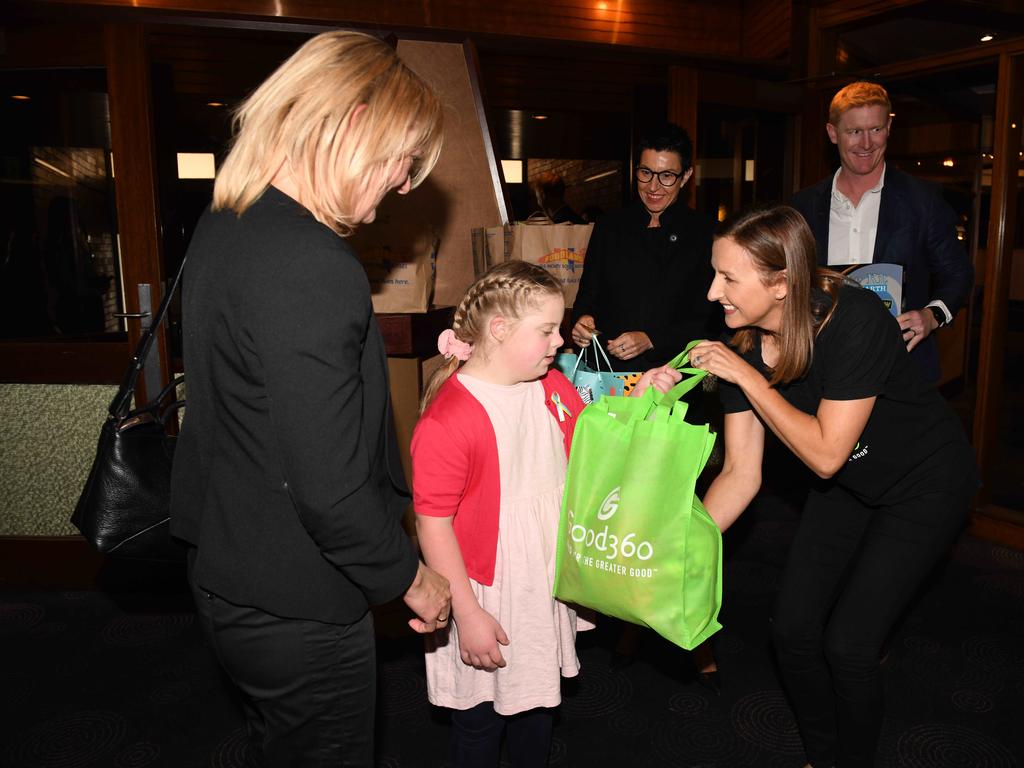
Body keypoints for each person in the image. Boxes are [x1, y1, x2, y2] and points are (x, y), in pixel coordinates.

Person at [169, 31, 452, 766]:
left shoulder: (229, 223)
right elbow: (328, 489)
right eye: (400, 159)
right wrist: (410, 579)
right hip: (295, 598)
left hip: (229, 571)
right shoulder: (310, 263)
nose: (402, 185)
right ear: (352, 122)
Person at [691, 205, 977, 768]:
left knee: (848, 645)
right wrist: (678, 539)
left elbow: (823, 455)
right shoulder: (743, 343)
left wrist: (748, 378)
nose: (711, 292)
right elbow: (741, 473)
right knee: (793, 632)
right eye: (714, 273)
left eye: (728, 278)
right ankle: (823, 756)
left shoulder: (853, 319)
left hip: (924, 482)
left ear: (781, 283)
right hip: (849, 483)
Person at [412, 261, 679, 768]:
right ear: (499, 329)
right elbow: (433, 523)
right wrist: (467, 614)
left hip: (540, 574)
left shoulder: (550, 385)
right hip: (487, 586)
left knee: (538, 703)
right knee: (480, 718)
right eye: (546, 330)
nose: (560, 340)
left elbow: (594, 440)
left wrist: (640, 397)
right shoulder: (451, 416)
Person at [791, 81, 974, 384]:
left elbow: (958, 274)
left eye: (876, 129)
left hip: (900, 373)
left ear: (889, 128)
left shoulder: (923, 201)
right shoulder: (803, 205)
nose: (866, 143)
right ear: (833, 133)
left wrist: (931, 316)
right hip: (820, 367)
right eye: (854, 132)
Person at [572, 122, 717, 372]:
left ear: (686, 177)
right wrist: (582, 322)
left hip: (673, 376)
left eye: (667, 176)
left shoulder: (706, 234)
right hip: (609, 375)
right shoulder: (609, 227)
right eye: (646, 172)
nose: (653, 186)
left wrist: (652, 339)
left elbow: (710, 319)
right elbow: (587, 298)